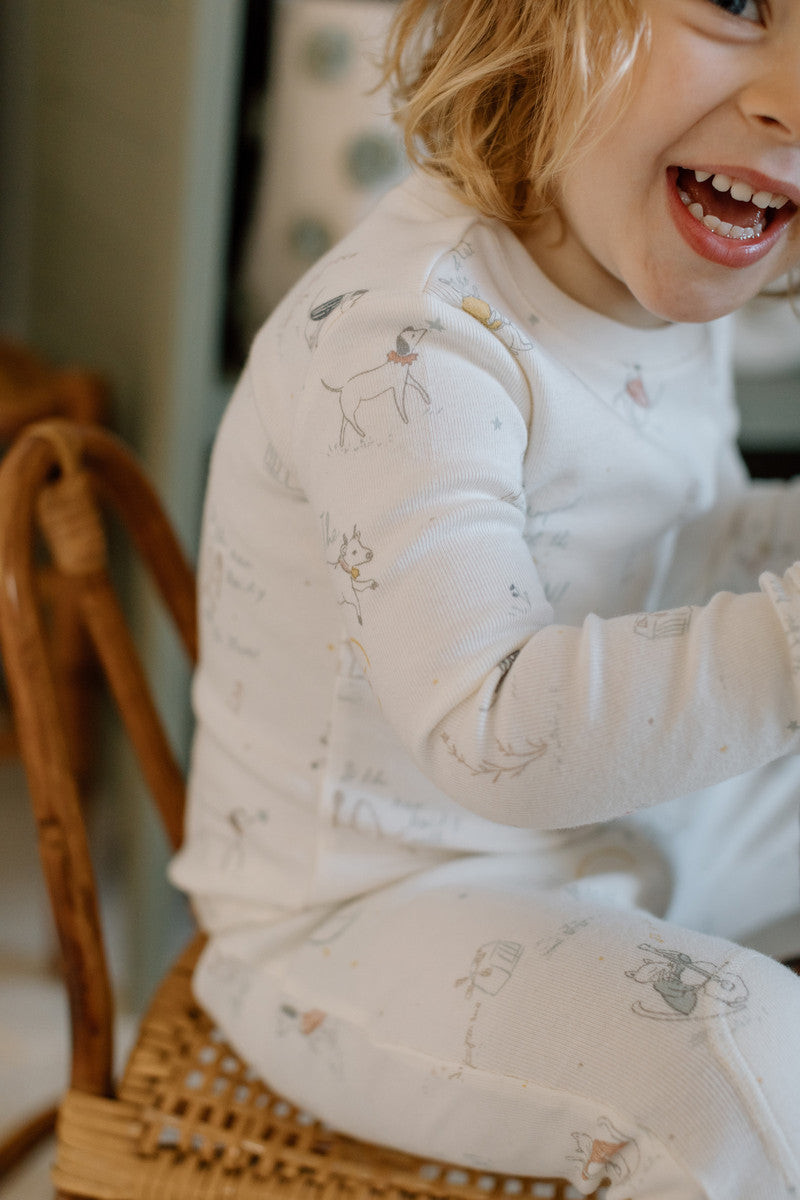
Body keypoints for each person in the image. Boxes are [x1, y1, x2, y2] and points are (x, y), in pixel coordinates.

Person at [169, 0, 800, 1194]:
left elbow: (679, 549)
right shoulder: (405, 341)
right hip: (365, 919)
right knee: (755, 1071)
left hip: (624, 824)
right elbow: (492, 728)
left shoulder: (656, 271)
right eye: (733, 2)